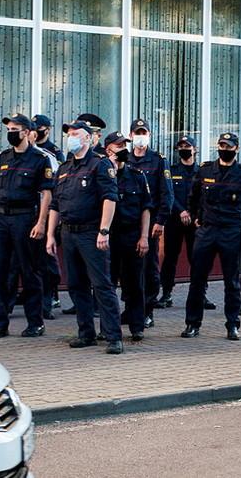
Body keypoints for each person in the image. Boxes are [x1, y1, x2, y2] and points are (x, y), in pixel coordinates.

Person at [46, 120, 124, 354]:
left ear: (89, 138)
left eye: (76, 133)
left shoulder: (99, 165)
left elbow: (109, 199)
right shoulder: (64, 168)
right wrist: (50, 234)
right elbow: (55, 204)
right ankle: (85, 333)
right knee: (76, 285)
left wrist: (104, 231)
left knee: (102, 285)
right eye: (69, 133)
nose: (71, 137)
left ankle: (113, 337)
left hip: (92, 233)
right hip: (69, 233)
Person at [180, 133, 241, 340]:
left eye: (229, 146)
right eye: (222, 145)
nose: (224, 149)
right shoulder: (205, 170)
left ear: (237, 149)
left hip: (231, 231)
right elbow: (193, 198)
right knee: (197, 279)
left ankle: (232, 325)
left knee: (231, 281)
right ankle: (192, 324)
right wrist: (197, 218)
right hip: (207, 231)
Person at [0, 114, 54, 339]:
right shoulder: (4, 157)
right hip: (1, 219)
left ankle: (35, 322)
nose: (10, 132)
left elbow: (46, 193)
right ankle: (0, 322)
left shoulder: (39, 159)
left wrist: (41, 222)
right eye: (9, 129)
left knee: (29, 271)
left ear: (26, 132)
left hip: (25, 219)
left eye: (15, 129)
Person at [122, 119, 173, 326]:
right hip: (126, 222)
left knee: (148, 269)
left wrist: (160, 221)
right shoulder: (125, 159)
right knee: (127, 269)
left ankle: (147, 309)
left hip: (149, 223)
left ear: (149, 135)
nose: (140, 137)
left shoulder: (158, 160)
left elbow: (166, 194)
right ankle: (130, 308)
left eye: (144, 133)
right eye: (137, 133)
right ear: (131, 135)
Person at [104, 131, 154, 341]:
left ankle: (136, 326)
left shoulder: (137, 176)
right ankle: (108, 327)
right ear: (108, 150)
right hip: (108, 237)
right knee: (107, 284)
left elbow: (146, 208)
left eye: (125, 145)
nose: (124, 150)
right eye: (119, 146)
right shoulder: (102, 175)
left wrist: (144, 237)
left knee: (134, 283)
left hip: (131, 235)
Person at [160, 135, 198, 308]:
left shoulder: (202, 171)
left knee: (197, 259)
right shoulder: (172, 170)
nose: (184, 149)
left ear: (195, 149)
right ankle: (166, 293)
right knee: (170, 258)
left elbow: (204, 197)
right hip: (174, 220)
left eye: (187, 146)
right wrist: (181, 210)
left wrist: (193, 213)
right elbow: (168, 194)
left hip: (196, 222)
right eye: (181, 146)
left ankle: (200, 294)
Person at [31, 114, 64, 316]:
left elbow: (56, 186)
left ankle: (51, 295)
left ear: (47, 129)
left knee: (47, 258)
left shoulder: (52, 154)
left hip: (48, 211)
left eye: (39, 128)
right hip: (28, 212)